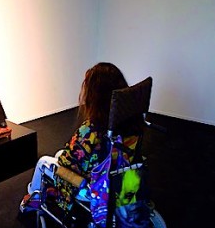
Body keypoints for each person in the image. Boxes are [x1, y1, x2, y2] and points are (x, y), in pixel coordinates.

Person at [19, 62, 143, 212]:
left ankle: (33, 198)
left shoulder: (92, 129)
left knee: (43, 162)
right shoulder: (133, 120)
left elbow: (67, 160)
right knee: (58, 154)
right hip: (122, 175)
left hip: (95, 188)